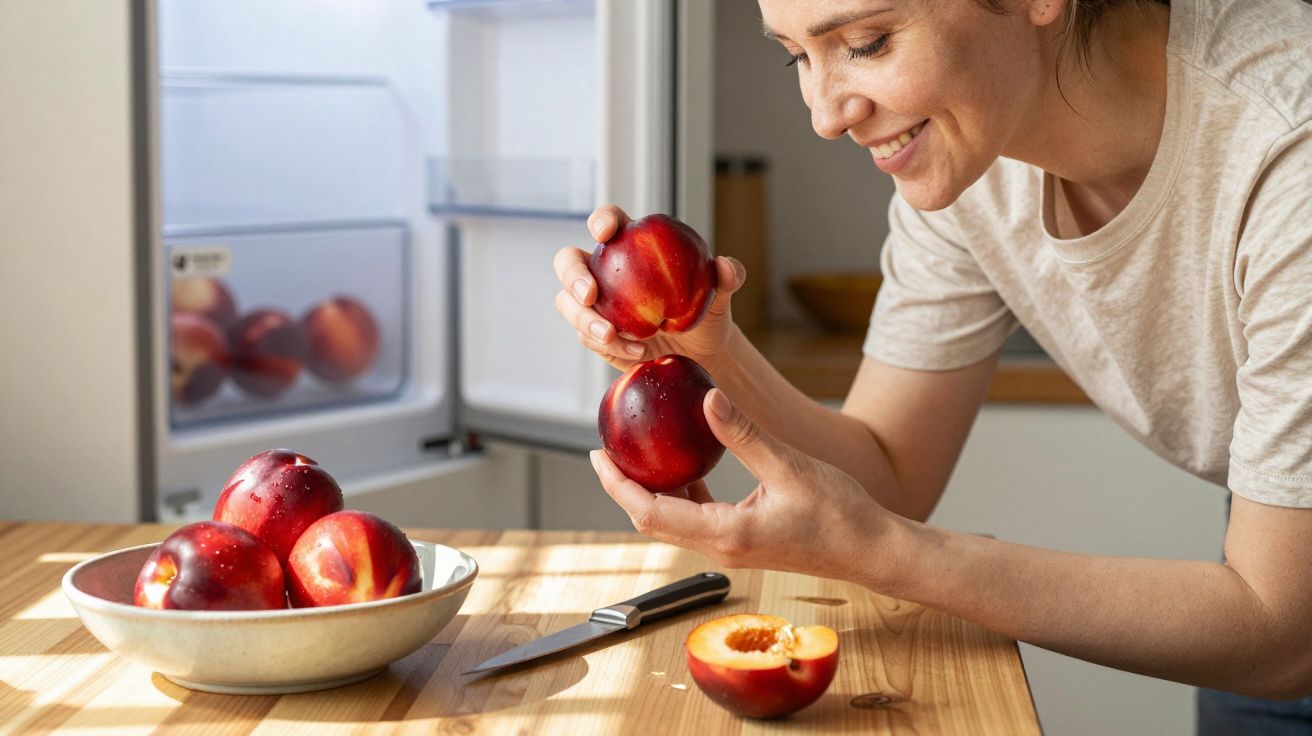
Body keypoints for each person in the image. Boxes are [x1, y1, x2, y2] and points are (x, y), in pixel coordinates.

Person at [552, 0, 1312, 732]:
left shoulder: (1288, 149)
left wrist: (882, 553)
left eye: (865, 42)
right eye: (796, 58)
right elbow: (886, 471)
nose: (823, 115)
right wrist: (705, 343)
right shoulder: (974, 149)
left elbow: (1283, 633)